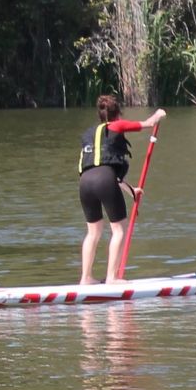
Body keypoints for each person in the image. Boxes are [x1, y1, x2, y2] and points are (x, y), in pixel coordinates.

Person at [78, 95, 165, 285]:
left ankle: (85, 278)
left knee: (93, 232)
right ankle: (112, 278)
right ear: (117, 115)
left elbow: (102, 169)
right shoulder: (116, 126)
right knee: (119, 229)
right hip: (104, 180)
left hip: (85, 182)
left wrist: (131, 190)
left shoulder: (89, 134)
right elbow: (149, 123)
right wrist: (159, 113)